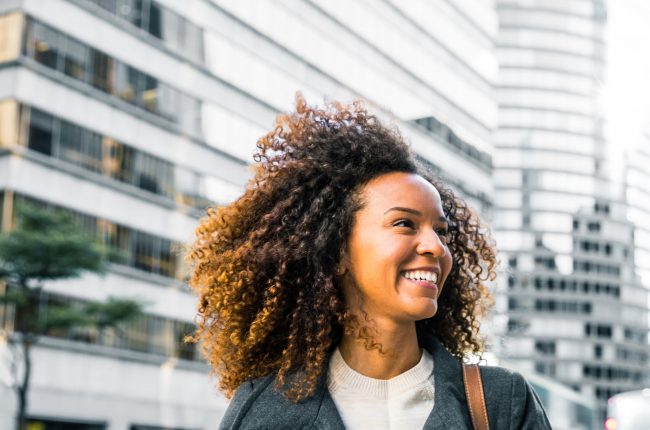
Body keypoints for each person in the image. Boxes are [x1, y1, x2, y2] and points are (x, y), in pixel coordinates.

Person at [187, 96, 551, 429]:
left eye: (441, 231)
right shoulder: (264, 408)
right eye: (404, 224)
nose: (436, 247)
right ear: (337, 251)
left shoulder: (502, 402)